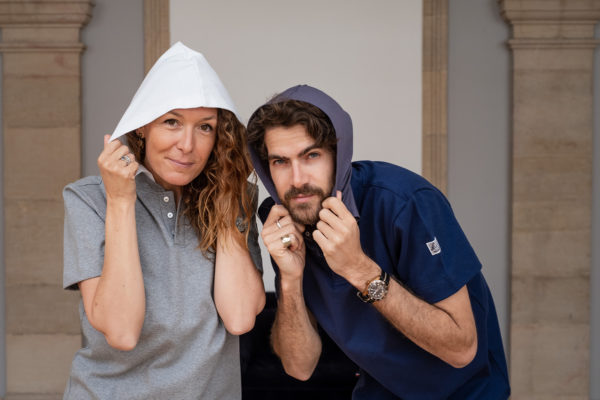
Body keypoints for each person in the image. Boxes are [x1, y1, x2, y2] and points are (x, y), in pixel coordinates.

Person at [246, 85, 510, 399]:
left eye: (312, 155)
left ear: (338, 156)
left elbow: (462, 349)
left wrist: (360, 270)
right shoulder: (286, 222)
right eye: (280, 162)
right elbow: (299, 367)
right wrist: (290, 280)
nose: (298, 179)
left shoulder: (405, 202)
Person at [62, 42, 265, 399]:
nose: (187, 144)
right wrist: (121, 202)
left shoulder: (235, 197)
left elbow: (239, 317)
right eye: (172, 122)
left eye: (205, 127)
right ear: (142, 126)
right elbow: (122, 332)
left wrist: (226, 193)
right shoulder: (89, 199)